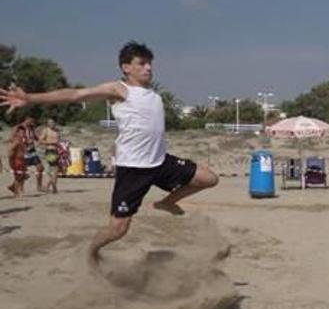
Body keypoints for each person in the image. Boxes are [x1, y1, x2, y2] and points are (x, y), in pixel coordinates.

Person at [0, 41, 219, 266]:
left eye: (150, 64)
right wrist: (30, 98)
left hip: (160, 162)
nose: (148, 68)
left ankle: (167, 202)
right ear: (126, 67)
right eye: (141, 64)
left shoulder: (154, 96)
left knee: (209, 179)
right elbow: (75, 94)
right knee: (117, 230)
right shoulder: (119, 90)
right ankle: (91, 251)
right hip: (133, 170)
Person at [38, 118, 62, 194]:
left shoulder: (57, 131)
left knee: (56, 170)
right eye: (50, 123)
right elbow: (40, 140)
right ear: (48, 124)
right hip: (49, 151)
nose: (51, 124)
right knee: (53, 168)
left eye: (53, 122)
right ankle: (49, 186)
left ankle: (53, 187)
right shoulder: (46, 130)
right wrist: (51, 142)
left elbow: (58, 141)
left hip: (56, 151)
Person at [6, 121, 27, 197]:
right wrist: (11, 161)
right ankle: (16, 192)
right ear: (18, 133)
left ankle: (16, 189)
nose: (23, 134)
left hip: (22, 159)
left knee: (23, 175)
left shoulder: (22, 140)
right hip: (17, 160)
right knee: (18, 176)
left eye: (24, 132)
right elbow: (10, 150)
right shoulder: (17, 140)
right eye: (21, 132)